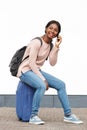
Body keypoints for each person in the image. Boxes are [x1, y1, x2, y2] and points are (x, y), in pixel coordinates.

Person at [17, 20, 83, 125]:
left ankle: (68, 115)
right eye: (50, 28)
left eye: (55, 30)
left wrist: (56, 46)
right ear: (46, 28)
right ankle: (33, 116)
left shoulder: (50, 45)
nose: (52, 31)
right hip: (25, 71)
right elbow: (31, 63)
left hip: (36, 71)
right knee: (42, 86)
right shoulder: (36, 42)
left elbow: (52, 63)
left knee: (61, 85)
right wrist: (43, 80)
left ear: (57, 34)